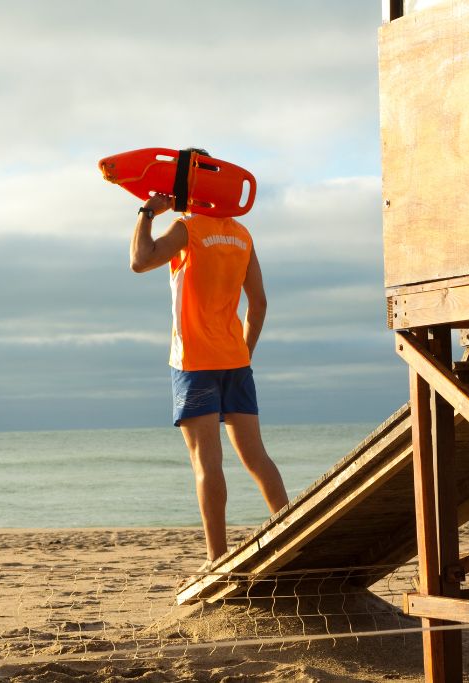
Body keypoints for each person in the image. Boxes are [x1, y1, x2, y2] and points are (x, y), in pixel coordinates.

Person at [129, 156, 288, 564]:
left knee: (207, 462)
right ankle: (292, 534)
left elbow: (140, 261)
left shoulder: (188, 229)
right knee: (257, 457)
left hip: (194, 361)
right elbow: (259, 303)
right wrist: (243, 353)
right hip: (235, 359)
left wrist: (147, 212)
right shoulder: (241, 234)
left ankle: (217, 558)